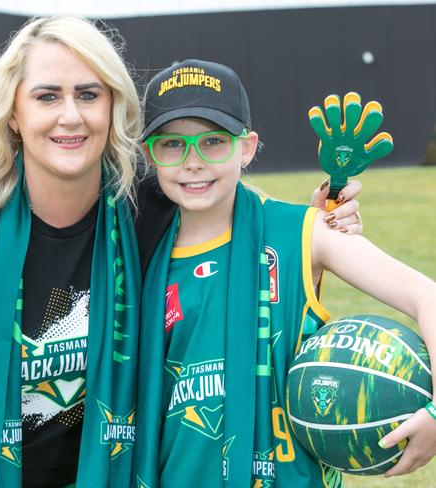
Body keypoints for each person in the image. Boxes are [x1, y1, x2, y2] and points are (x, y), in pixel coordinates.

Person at [0, 18, 362, 488]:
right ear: (14, 113)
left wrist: (324, 219)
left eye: (89, 95)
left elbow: (248, 221)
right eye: (47, 96)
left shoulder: (147, 204)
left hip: (92, 464)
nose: (70, 116)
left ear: (113, 107)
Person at [132, 59, 436, 488]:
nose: (193, 162)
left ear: (248, 146)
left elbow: (427, 296)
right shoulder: (137, 250)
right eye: (173, 145)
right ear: (151, 154)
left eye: (214, 142)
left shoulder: (303, 234)